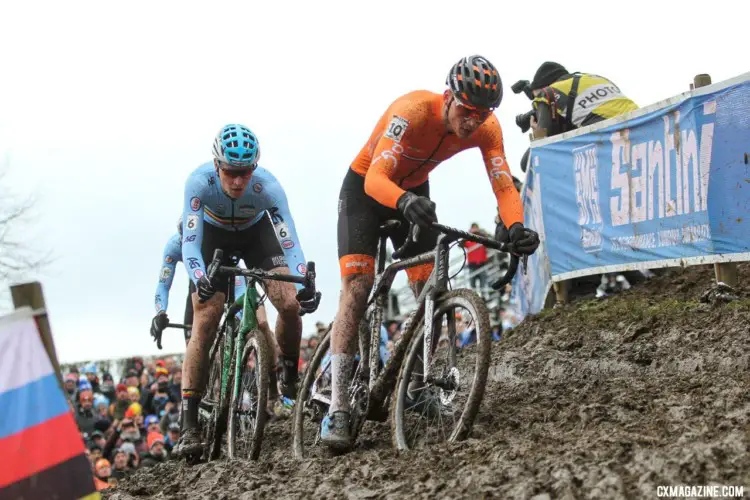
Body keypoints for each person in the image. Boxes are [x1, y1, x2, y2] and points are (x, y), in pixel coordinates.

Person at [321, 55, 540, 450]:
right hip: (367, 190)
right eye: (468, 110)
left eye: (483, 112)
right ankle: (337, 405)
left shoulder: (487, 129)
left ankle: (414, 387)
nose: (473, 120)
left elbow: (504, 184)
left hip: (413, 191)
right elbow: (376, 177)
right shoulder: (412, 111)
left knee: (427, 293)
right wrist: (402, 202)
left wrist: (516, 227)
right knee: (358, 286)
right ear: (448, 97)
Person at [172, 124, 321, 458]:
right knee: (206, 316)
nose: (238, 181)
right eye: (231, 172)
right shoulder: (198, 184)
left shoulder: (268, 187)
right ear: (217, 166)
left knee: (290, 303)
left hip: (256, 236)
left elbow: (290, 241)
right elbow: (190, 245)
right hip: (213, 238)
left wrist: (303, 281)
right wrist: (199, 277)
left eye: (245, 172)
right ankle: (188, 424)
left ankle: (289, 376)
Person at [150, 218, 254, 347]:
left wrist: (239, 315)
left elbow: (239, 288)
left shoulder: (214, 241)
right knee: (192, 342)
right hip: (199, 279)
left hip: (224, 271)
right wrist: (160, 312)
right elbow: (163, 285)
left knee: (259, 322)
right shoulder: (173, 246)